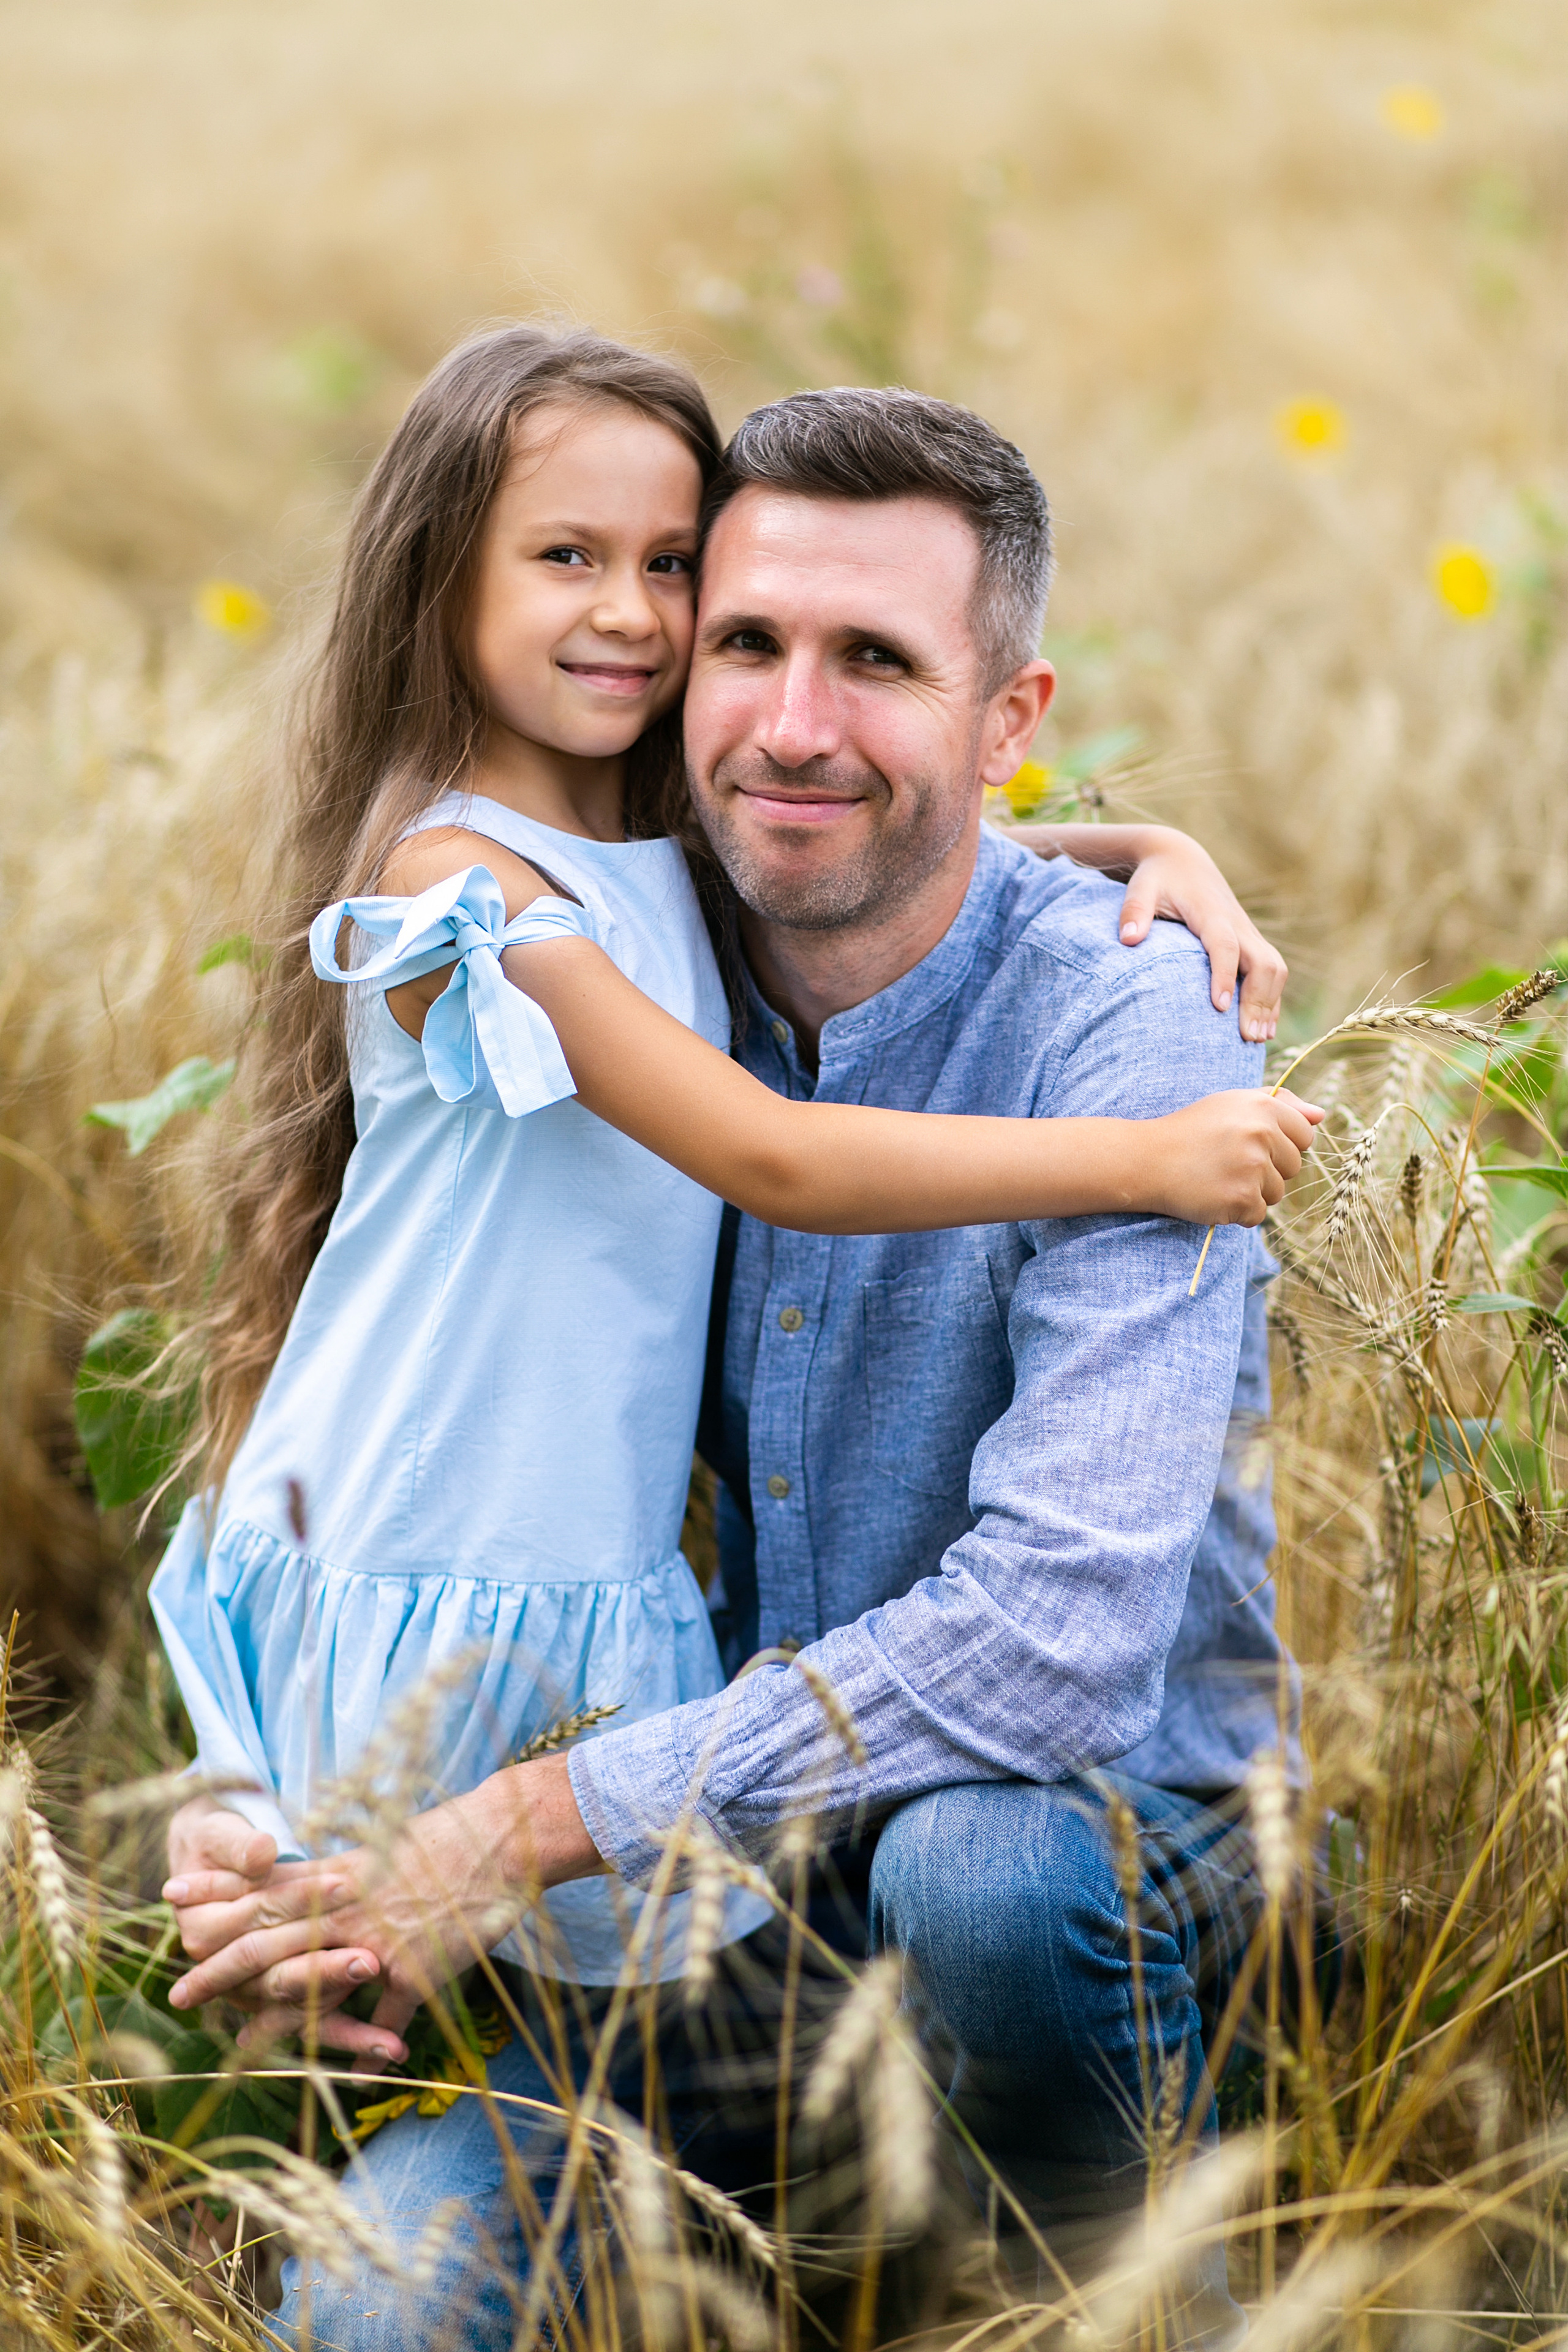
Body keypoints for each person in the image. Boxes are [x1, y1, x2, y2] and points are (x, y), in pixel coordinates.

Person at [158, 353, 1313, 2347]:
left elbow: (1053, 1643)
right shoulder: (639, 932)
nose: (791, 722)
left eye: (874, 658)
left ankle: (1133, 2291)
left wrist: (503, 1832)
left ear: (1007, 720)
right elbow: (394, 1347)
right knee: (380, 2304)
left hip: (1069, 1862)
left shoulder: (1137, 1038)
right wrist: (251, 1777)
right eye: (746, 638)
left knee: (981, 1874)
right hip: (731, 1886)